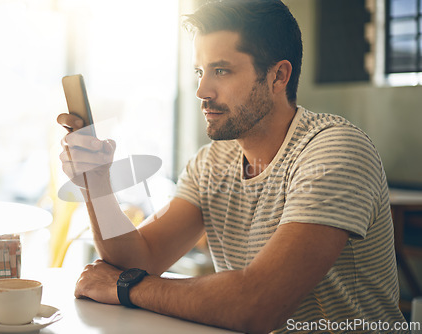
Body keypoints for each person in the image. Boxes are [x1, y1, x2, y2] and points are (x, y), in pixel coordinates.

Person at [57, 1, 408, 333]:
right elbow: (138, 259)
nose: (201, 90)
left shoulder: (334, 150)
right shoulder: (211, 163)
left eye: (220, 71)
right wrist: (97, 183)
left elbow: (256, 303)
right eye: (199, 71)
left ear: (278, 76)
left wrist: (127, 288)